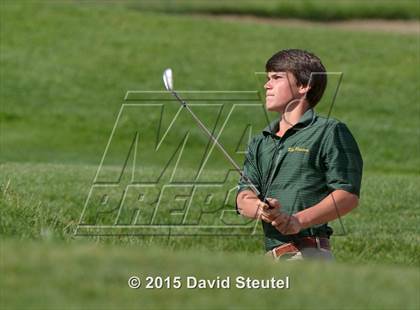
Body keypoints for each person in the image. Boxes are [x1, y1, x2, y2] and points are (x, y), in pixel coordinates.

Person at [236, 49, 363, 260]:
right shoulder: (261, 141)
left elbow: (347, 196)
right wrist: (262, 209)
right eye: (268, 78)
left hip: (307, 253)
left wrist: (297, 220)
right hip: (271, 257)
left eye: (276, 78)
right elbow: (243, 198)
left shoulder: (329, 131)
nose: (267, 85)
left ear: (304, 86)